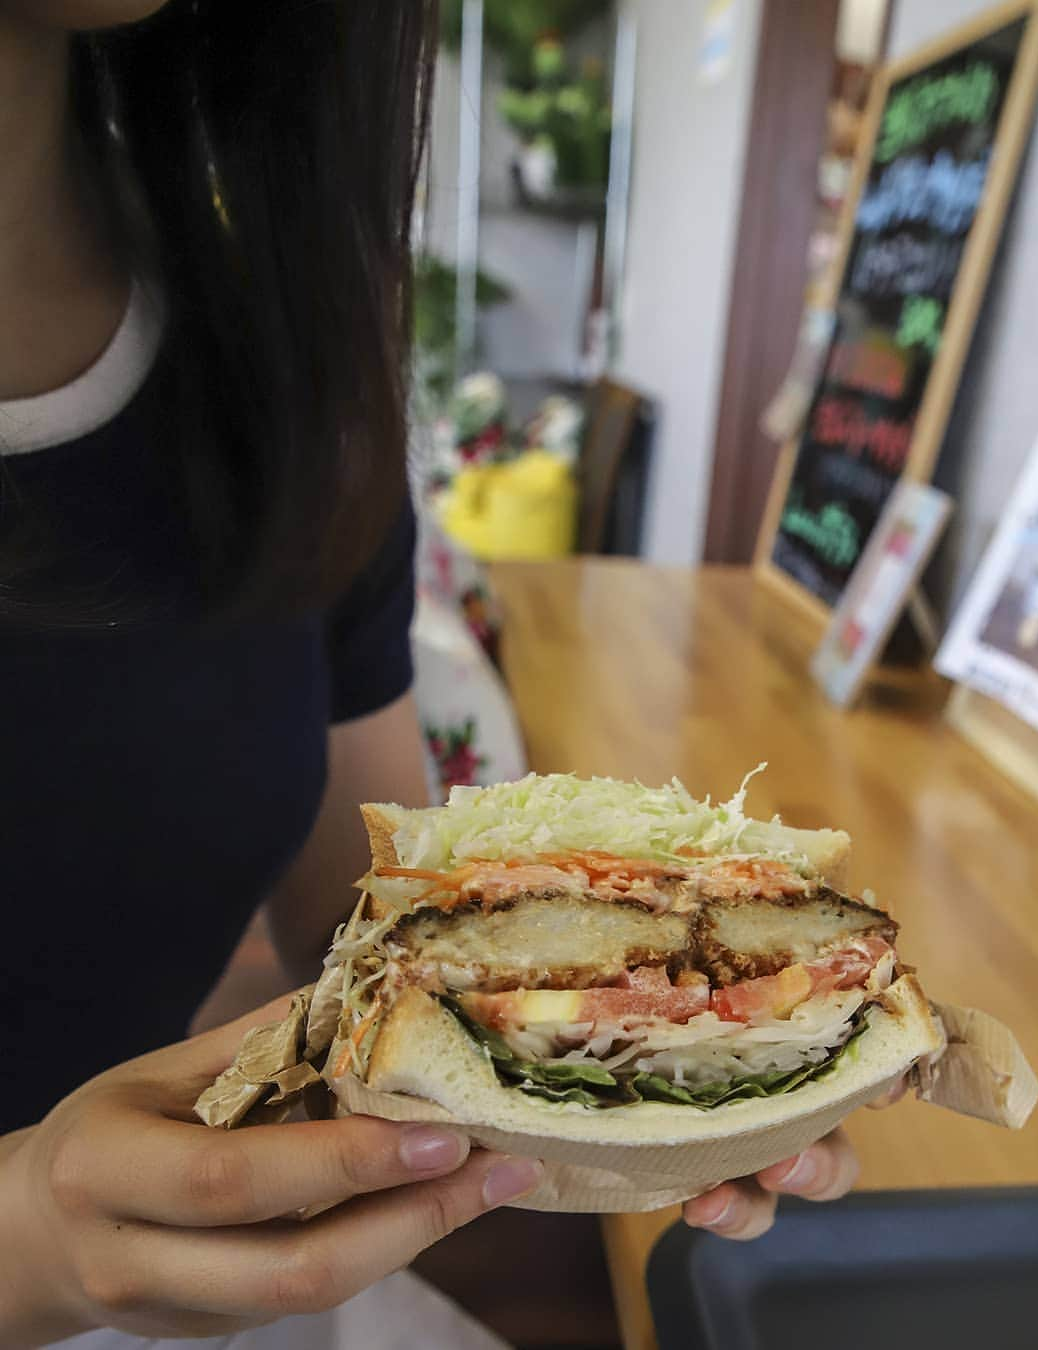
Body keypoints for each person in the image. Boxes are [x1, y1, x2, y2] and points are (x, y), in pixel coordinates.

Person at [0, 3, 877, 1346]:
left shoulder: (280, 358)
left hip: (253, 1293)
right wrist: (26, 1243)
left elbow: (362, 937)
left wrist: (649, 1049)